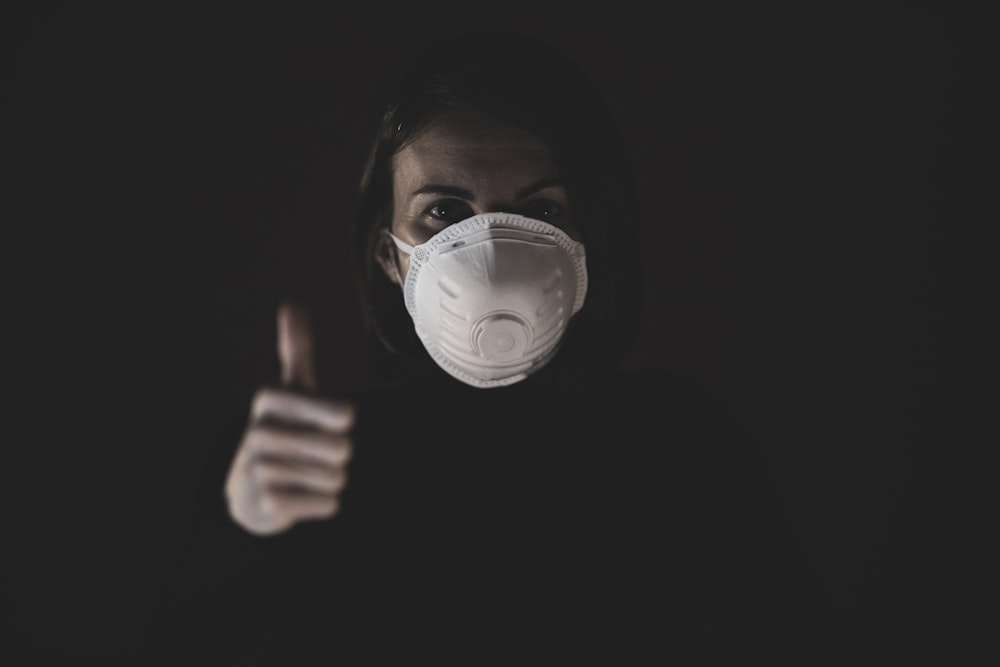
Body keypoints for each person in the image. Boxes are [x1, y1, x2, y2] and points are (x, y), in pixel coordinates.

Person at [147, 31, 839, 664]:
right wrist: (242, 529)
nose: (493, 262)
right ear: (389, 257)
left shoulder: (682, 446)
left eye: (541, 211)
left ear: (590, 243)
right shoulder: (301, 461)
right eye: (444, 212)